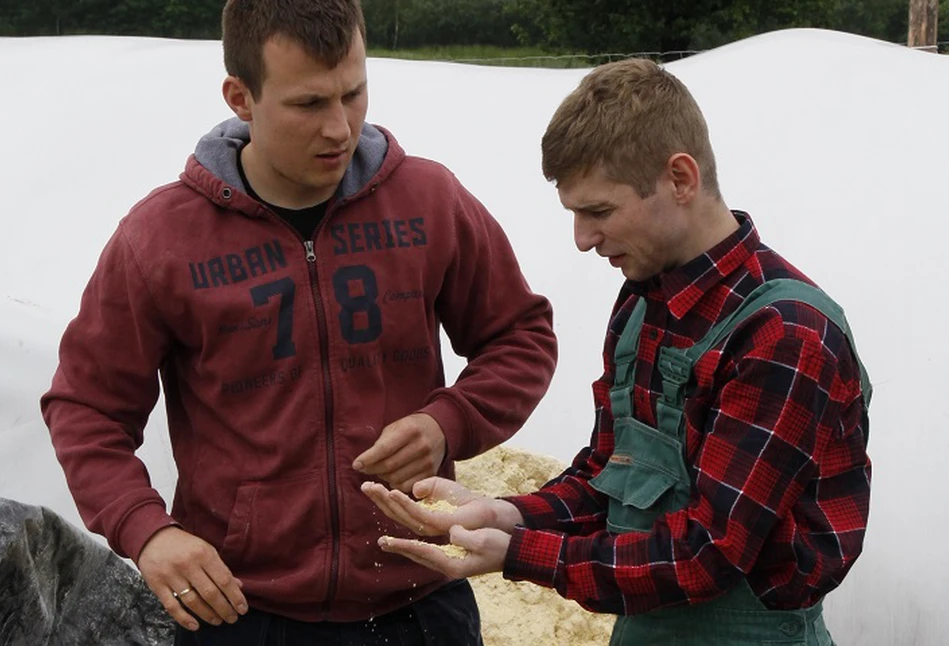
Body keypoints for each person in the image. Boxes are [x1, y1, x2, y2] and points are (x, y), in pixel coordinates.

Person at [40, 0, 557, 644]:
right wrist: (148, 531)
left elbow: (521, 336)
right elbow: (86, 407)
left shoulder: (429, 201)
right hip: (239, 612)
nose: (340, 128)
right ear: (241, 97)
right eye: (309, 104)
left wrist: (446, 422)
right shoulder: (160, 239)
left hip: (421, 600)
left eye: (354, 93)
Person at [363, 58, 871, 646]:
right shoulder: (642, 306)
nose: (582, 239)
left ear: (681, 179)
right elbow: (609, 480)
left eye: (598, 211)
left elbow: (708, 555)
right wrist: (507, 514)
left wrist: (517, 553)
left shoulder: (785, 334)